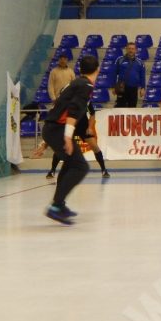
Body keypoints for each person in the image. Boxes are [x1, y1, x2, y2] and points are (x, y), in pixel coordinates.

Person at [42, 55, 100, 225]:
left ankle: (59, 204)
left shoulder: (76, 83)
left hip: (52, 128)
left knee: (70, 164)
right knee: (81, 166)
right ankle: (55, 206)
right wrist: (67, 137)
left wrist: (44, 141)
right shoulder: (86, 85)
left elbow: (60, 107)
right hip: (57, 130)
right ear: (97, 69)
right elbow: (73, 111)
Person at [114, 43, 146, 108]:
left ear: (135, 50)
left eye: (132, 49)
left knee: (132, 108)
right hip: (122, 88)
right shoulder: (120, 60)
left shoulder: (140, 62)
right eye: (129, 48)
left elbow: (142, 76)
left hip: (133, 89)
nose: (131, 50)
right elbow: (114, 74)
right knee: (120, 108)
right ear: (126, 49)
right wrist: (113, 86)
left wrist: (143, 88)